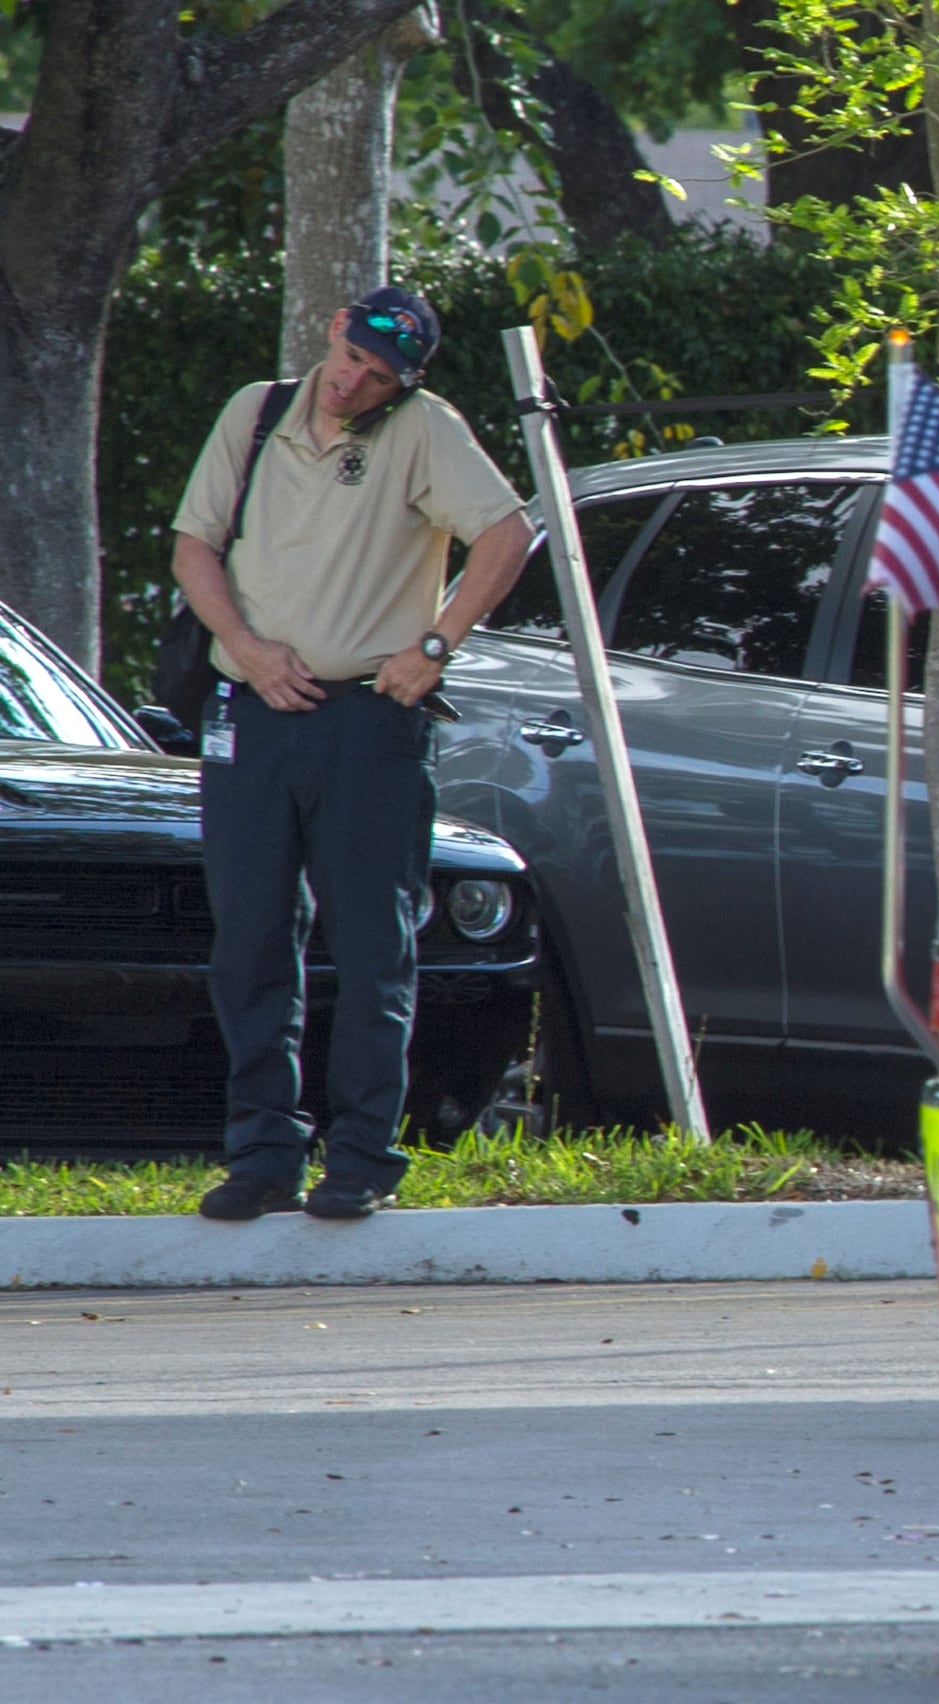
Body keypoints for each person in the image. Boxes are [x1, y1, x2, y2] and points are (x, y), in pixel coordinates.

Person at [171, 286, 533, 1221]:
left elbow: (507, 531)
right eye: (352, 358)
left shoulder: (423, 429)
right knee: (249, 939)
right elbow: (192, 549)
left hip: (367, 718)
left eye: (380, 377)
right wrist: (249, 651)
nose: (354, 383)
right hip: (252, 710)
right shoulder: (255, 412)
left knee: (374, 943)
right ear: (333, 329)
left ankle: (365, 1153)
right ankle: (262, 1152)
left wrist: (436, 646)